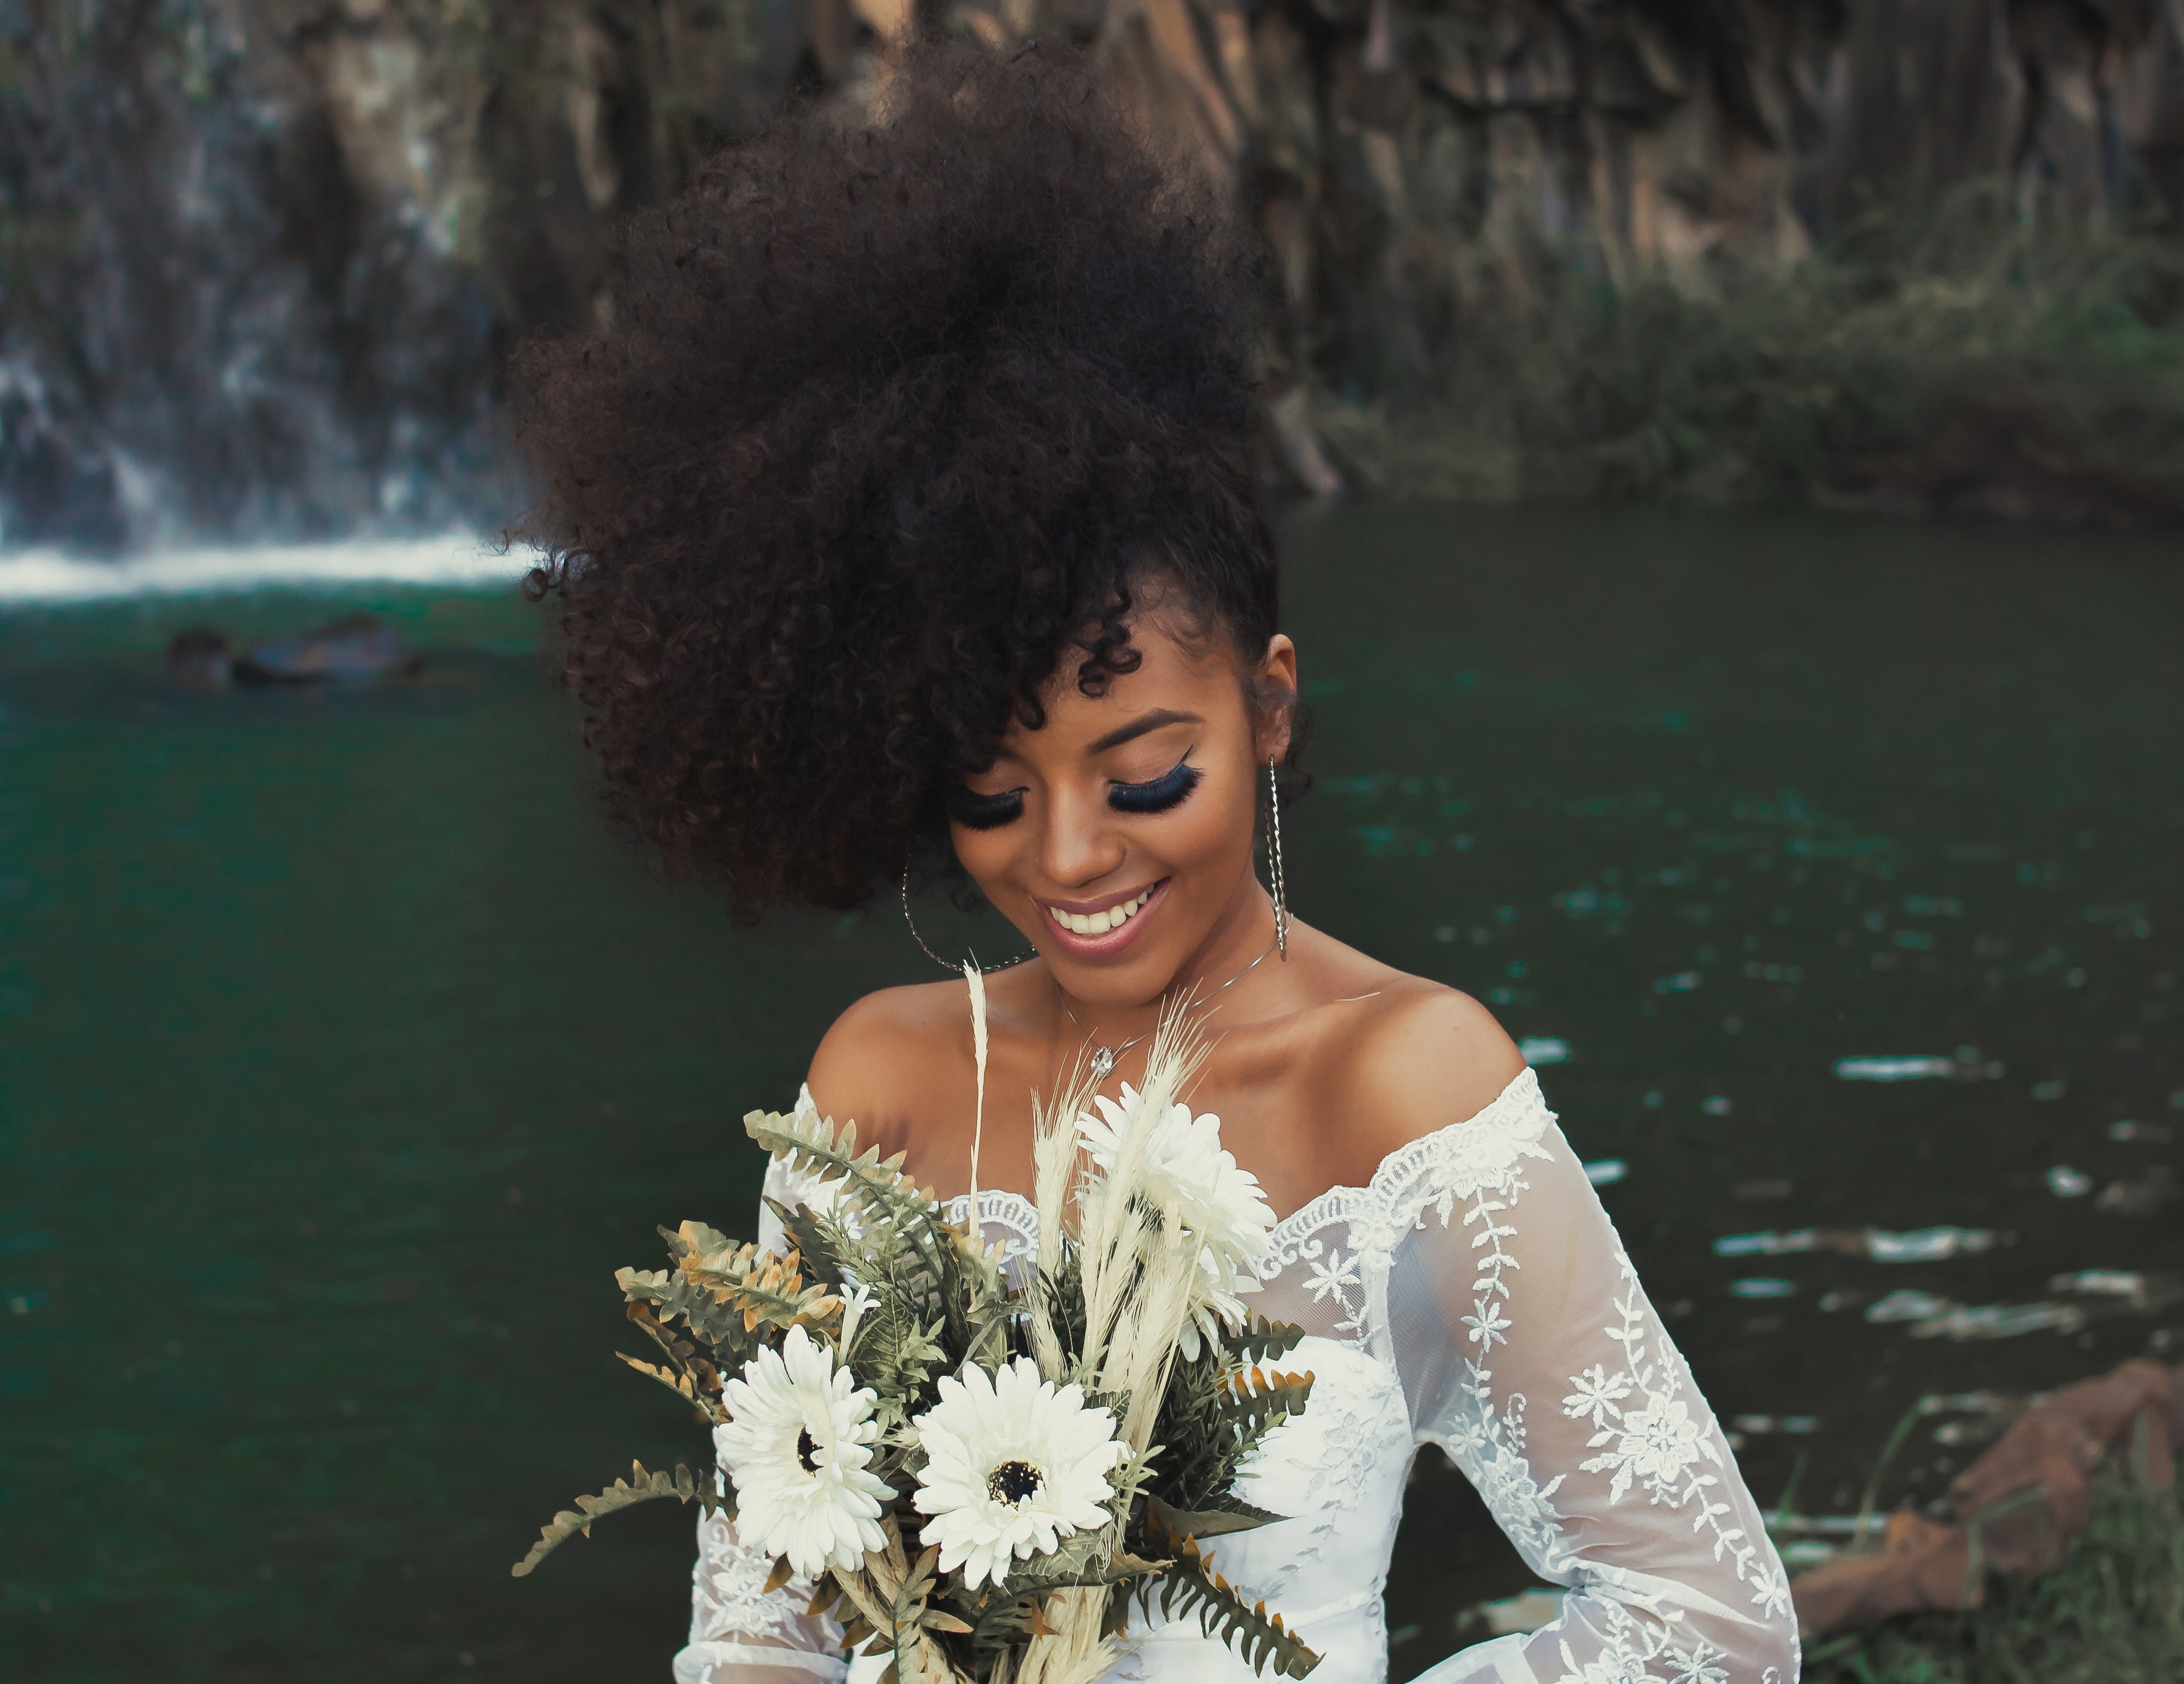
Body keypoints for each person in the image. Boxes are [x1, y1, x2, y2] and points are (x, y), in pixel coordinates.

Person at [514, 38, 1800, 1684]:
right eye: (990, 793)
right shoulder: (879, 1090)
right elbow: (761, 1634)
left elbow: (1711, 1625)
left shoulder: (1405, 1083)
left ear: (1266, 707)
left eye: (1145, 774)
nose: (1067, 856)